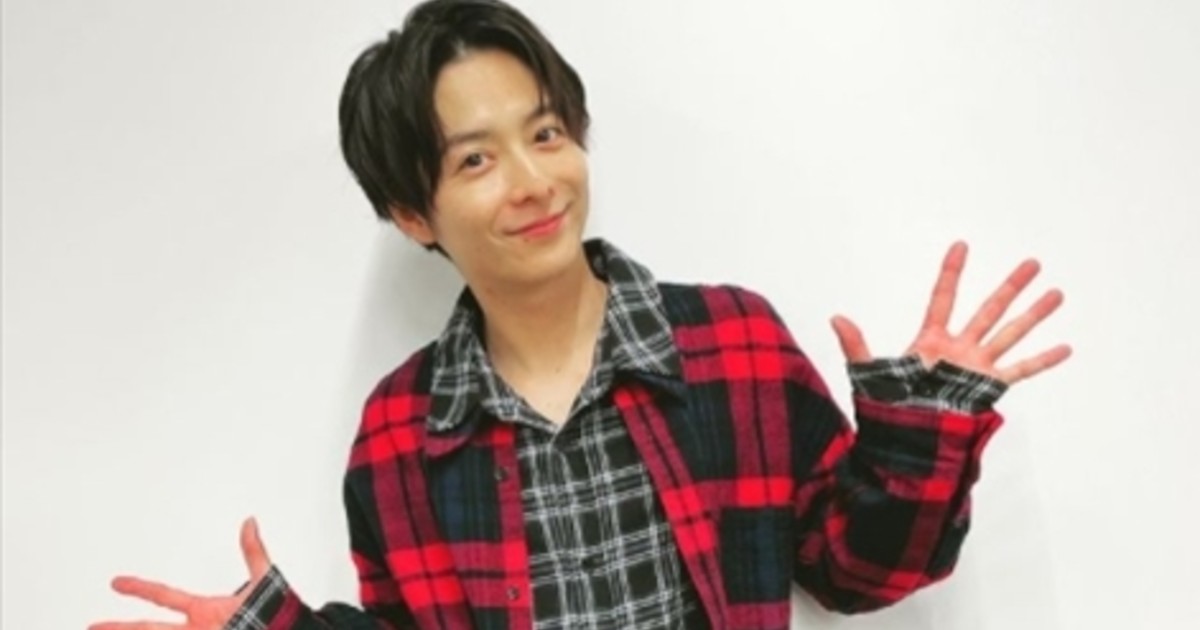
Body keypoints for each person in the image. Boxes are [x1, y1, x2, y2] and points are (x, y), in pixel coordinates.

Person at [89, 1, 1071, 628]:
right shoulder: (399, 433)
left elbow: (857, 572)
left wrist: (921, 430)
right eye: (476, 159)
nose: (532, 181)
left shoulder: (731, 343)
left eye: (547, 133)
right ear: (413, 214)